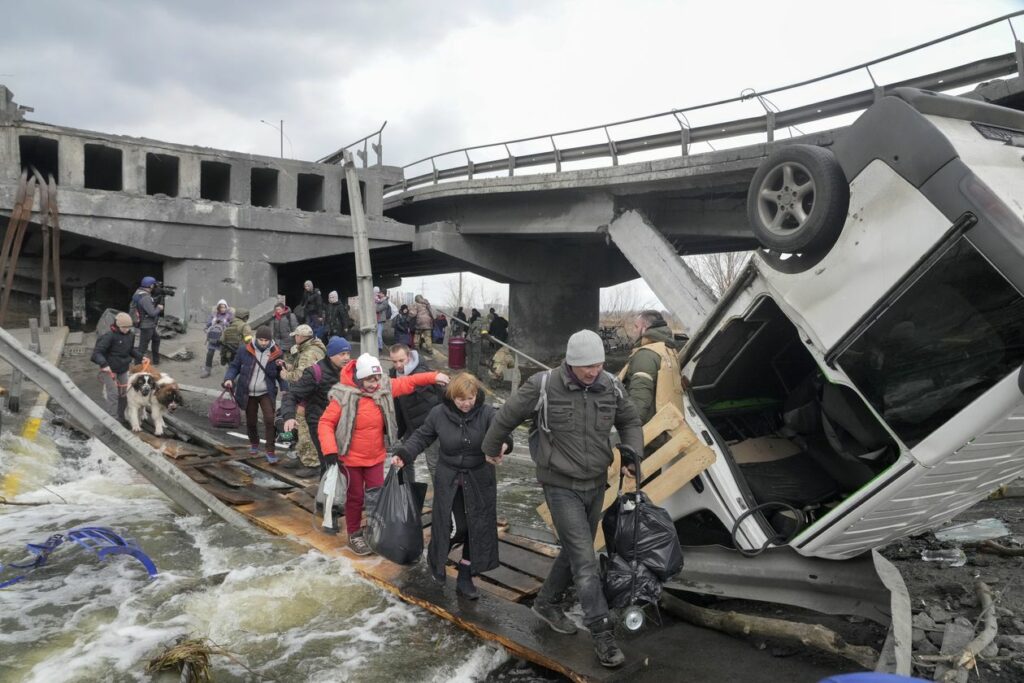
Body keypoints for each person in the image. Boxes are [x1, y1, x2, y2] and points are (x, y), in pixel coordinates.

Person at [481, 329, 643, 669]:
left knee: (575, 549)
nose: (593, 372)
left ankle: (547, 603)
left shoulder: (610, 385)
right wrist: (492, 449)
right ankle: (602, 633)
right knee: (586, 560)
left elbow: (629, 420)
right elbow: (506, 416)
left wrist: (632, 456)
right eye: (586, 367)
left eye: (598, 365)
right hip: (559, 484)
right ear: (570, 362)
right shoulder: (543, 386)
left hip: (596, 482)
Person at [392, 373, 512, 598]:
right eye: (461, 399)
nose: (467, 403)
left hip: (480, 479)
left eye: (471, 398)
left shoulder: (487, 413)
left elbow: (502, 433)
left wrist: (503, 446)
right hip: (449, 479)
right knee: (457, 527)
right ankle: (437, 559)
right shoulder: (438, 413)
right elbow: (422, 436)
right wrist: (405, 454)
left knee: (476, 528)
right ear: (452, 397)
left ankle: (465, 575)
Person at [318, 353, 449, 555]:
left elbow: (409, 382)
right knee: (356, 497)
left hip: (375, 456)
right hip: (350, 458)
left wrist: (434, 377)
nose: (375, 383)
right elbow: (325, 423)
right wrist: (329, 450)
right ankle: (354, 533)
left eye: (377, 378)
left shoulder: (384, 389)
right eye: (370, 379)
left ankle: (374, 529)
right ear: (360, 379)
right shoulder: (343, 396)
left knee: (376, 495)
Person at [280, 336, 352, 476]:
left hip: (342, 423)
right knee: (329, 463)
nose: (346, 357)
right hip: (319, 423)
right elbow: (291, 394)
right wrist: (289, 416)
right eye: (342, 354)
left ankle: (341, 493)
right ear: (331, 355)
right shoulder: (315, 372)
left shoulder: (350, 371)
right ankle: (326, 495)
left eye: (348, 353)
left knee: (344, 463)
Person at [620, 310, 684, 452]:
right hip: (665, 429)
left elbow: (639, 399)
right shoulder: (668, 350)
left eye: (636, 326)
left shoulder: (646, 355)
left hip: (649, 434)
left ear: (645, 329)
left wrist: (629, 435)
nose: (633, 330)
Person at [223, 326, 287, 464]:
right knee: (251, 421)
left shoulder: (276, 352)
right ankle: (254, 443)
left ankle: (270, 450)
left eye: (266, 340)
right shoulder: (244, 349)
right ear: (256, 338)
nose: (264, 343)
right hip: (248, 392)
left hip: (266, 392)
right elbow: (234, 366)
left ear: (270, 340)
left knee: (270, 420)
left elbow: (281, 373)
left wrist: (284, 388)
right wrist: (229, 378)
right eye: (261, 340)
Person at [388, 343, 443, 483]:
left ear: (409, 357)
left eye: (401, 360)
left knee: (434, 465)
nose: (398, 365)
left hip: (430, 427)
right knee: (404, 460)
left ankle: (442, 499)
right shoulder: (393, 374)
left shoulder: (423, 372)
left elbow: (441, 396)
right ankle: (408, 494)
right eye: (394, 361)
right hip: (409, 426)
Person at [279, 324, 327, 477]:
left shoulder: (309, 353)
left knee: (305, 428)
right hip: (309, 395)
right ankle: (302, 456)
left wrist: (286, 375)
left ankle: (312, 463)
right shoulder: (309, 349)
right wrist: (288, 365)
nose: (295, 338)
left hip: (309, 396)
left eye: (296, 336)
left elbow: (302, 378)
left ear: (301, 337)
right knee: (301, 426)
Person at [91, 311, 143, 421]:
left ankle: (120, 416)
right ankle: (112, 419)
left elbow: (130, 350)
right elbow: (97, 353)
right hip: (109, 369)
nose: (126, 329)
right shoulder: (109, 336)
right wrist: (104, 364)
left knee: (124, 394)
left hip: (123, 368)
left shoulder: (130, 335)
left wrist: (140, 356)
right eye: (124, 327)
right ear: (117, 325)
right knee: (113, 393)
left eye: (128, 327)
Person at [131, 276, 163, 365]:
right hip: (146, 325)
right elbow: (152, 313)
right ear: (151, 286)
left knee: (156, 339)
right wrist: (159, 308)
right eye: (154, 285)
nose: (155, 287)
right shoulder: (146, 297)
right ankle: (137, 365)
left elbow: (142, 306)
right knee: (142, 348)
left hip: (148, 324)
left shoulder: (138, 292)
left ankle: (156, 361)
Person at [201, 299, 233, 378]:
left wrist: (225, 323)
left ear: (226, 307)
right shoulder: (213, 315)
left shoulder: (229, 315)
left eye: (224, 307)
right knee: (210, 353)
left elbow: (232, 325)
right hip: (213, 338)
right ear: (218, 308)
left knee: (227, 355)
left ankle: (231, 372)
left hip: (223, 339)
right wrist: (212, 323)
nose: (222, 309)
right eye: (221, 307)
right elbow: (208, 324)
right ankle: (207, 370)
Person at [374, 287, 390, 351]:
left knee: (378, 335)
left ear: (383, 294)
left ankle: (380, 347)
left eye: (380, 293)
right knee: (376, 334)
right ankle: (377, 346)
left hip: (380, 320)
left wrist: (376, 302)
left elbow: (377, 309)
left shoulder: (385, 302)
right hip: (376, 319)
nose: (379, 294)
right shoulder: (379, 300)